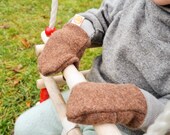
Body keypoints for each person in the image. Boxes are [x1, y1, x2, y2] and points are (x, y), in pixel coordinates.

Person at [14, 0, 170, 134]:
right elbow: (100, 16)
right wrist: (74, 33)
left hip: (128, 128)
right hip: (86, 91)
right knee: (26, 127)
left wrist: (131, 103)